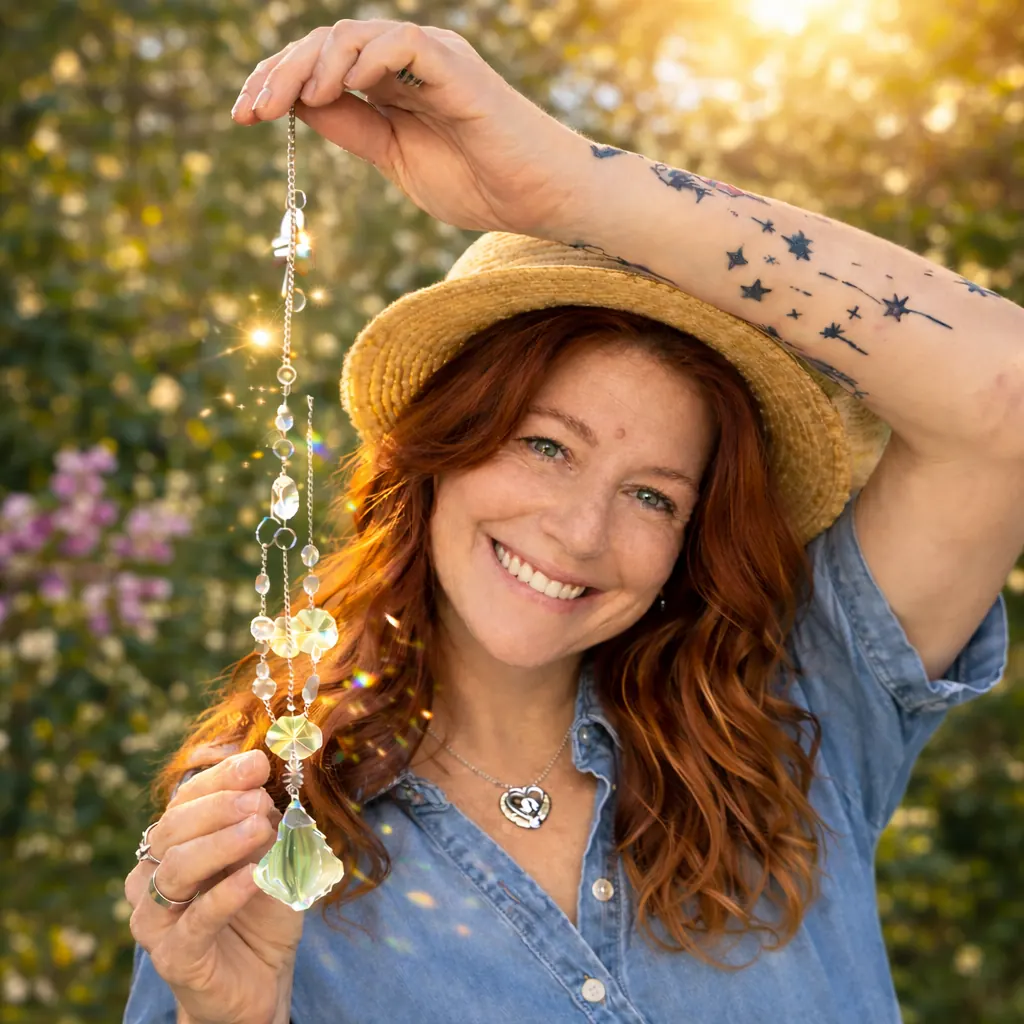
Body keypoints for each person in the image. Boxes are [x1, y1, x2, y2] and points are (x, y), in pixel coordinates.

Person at [122, 18, 1024, 1024]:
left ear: (692, 542)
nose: (582, 531)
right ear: (439, 450)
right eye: (544, 445)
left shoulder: (796, 715)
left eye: (653, 494)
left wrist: (568, 186)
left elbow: (1007, 392)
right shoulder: (260, 835)